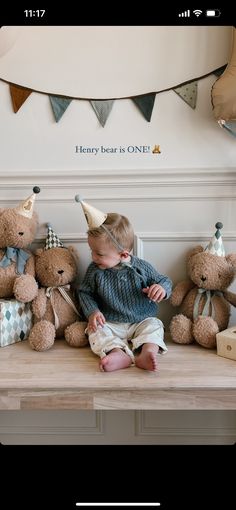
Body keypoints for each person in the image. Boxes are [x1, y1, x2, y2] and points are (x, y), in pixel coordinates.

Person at [75, 196, 172, 372]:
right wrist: (93, 312)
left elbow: (164, 280)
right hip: (111, 322)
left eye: (100, 254)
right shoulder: (95, 271)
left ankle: (148, 352)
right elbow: (84, 292)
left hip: (140, 321)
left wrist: (161, 289)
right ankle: (117, 353)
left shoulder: (141, 268)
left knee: (155, 325)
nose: (93, 257)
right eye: (92, 251)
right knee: (95, 331)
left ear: (124, 254)